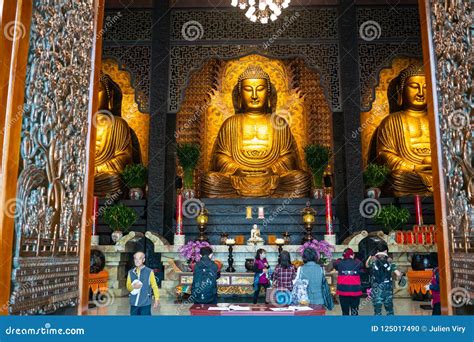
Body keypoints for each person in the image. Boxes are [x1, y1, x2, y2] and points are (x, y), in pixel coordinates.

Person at [366, 246, 402, 315]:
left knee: (377, 311)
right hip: (387, 289)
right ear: (386, 252)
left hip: (377, 290)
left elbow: (367, 265)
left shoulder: (374, 262)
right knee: (389, 311)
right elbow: (398, 274)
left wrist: (370, 257)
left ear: (377, 252)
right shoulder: (391, 263)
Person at [126, 251, 160, 315]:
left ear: (143, 260)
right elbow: (128, 287)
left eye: (139, 258)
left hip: (145, 303)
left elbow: (154, 286)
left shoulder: (149, 272)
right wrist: (133, 287)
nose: (137, 260)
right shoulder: (130, 272)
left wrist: (156, 298)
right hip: (134, 303)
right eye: (135, 258)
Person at [334, 248, 363, 315]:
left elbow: (335, 264)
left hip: (343, 291)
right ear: (352, 255)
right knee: (354, 312)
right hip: (355, 291)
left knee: (345, 312)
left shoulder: (339, 262)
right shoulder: (357, 262)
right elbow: (361, 265)